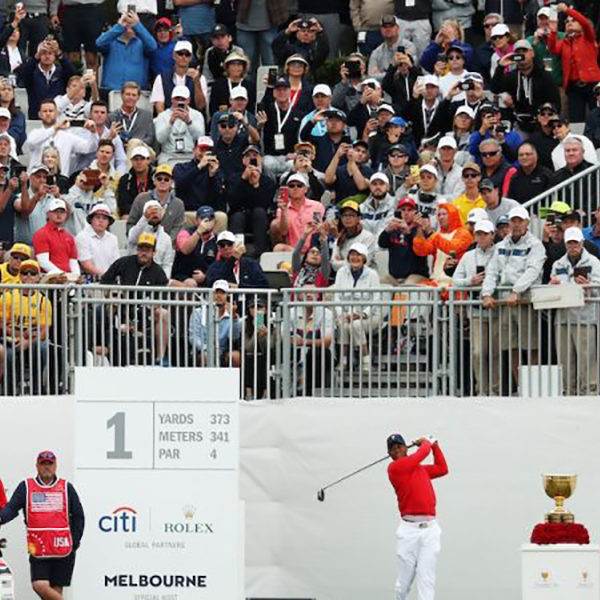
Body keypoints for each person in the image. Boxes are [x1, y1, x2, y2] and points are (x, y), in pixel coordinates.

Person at [0, 451, 84, 600]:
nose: (46, 467)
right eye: (43, 464)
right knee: (39, 585)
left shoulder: (66, 487)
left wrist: (74, 542)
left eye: (50, 464)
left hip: (62, 548)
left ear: (55, 466)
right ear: (37, 466)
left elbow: (78, 516)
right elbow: (12, 508)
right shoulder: (26, 486)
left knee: (55, 591)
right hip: (39, 547)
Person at [481, 206, 546, 384]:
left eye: (520, 221)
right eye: (513, 221)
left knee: (531, 345)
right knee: (511, 346)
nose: (516, 224)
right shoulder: (501, 246)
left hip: (526, 299)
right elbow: (492, 272)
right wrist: (487, 294)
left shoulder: (535, 245)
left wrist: (516, 291)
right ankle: (520, 385)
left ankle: (534, 385)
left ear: (527, 223)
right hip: (505, 300)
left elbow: (533, 271)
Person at [387, 434, 448, 600]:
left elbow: (442, 468)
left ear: (406, 448)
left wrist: (435, 446)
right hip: (408, 532)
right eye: (393, 448)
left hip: (430, 531)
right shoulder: (394, 469)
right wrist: (427, 443)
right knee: (403, 584)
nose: (397, 450)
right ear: (390, 454)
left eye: (399, 446)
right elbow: (422, 453)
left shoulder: (420, 469)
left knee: (426, 579)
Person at [550, 227, 600, 396]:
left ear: (582, 243)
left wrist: (588, 286)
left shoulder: (594, 262)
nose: (573, 246)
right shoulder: (558, 264)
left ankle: (590, 392)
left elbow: (598, 288)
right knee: (565, 361)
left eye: (575, 243)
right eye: (569, 243)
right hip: (563, 319)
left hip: (585, 318)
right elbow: (552, 289)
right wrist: (552, 287)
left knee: (587, 359)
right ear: (565, 244)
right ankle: (568, 393)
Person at [452, 219, 498, 395]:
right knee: (478, 352)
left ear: (492, 235)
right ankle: (482, 389)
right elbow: (455, 280)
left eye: (485, 234)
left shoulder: (500, 252)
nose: (482, 237)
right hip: (476, 310)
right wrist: (470, 281)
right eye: (478, 233)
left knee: (495, 353)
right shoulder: (468, 255)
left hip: (497, 309)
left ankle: (496, 389)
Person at [0, 260, 53, 389]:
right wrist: (19, 336)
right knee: (9, 354)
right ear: (19, 276)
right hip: (9, 338)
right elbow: (1, 324)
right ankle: (11, 389)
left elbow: (44, 330)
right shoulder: (7, 296)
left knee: (43, 348)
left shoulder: (43, 300)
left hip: (32, 340)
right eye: (24, 273)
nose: (28, 276)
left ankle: (36, 387)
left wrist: (27, 342)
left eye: (33, 273)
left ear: (38, 278)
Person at [490, 39, 561, 135]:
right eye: (518, 53)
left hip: (541, 125)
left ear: (532, 53)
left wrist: (546, 114)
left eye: (524, 51)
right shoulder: (512, 76)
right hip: (520, 124)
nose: (522, 55)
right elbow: (495, 88)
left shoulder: (545, 76)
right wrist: (501, 66)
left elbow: (556, 103)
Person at [548, 3, 600, 122]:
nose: (569, 22)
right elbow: (552, 49)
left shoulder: (588, 37)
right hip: (573, 86)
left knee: (597, 116)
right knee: (576, 120)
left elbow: (586, 23)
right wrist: (553, 32)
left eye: (573, 20)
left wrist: (568, 10)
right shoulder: (564, 42)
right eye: (567, 22)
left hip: (592, 84)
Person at [332, 241, 380, 371]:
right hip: (347, 313)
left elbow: (376, 299)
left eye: (359, 255)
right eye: (352, 255)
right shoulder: (342, 272)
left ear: (364, 258)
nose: (355, 258)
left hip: (369, 315)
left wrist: (362, 314)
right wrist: (342, 313)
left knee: (356, 324)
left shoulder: (372, 274)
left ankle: (366, 359)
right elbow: (337, 296)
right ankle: (344, 360)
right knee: (343, 324)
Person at [25, 99, 98, 177]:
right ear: (39, 114)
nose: (48, 114)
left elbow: (89, 148)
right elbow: (31, 142)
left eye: (51, 111)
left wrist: (93, 133)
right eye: (45, 111)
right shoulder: (35, 133)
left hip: (60, 183)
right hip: (37, 181)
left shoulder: (67, 136)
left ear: (56, 113)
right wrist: (56, 128)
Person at [228, 145, 275, 258]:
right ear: (243, 160)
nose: (251, 158)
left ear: (261, 159)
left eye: (255, 156)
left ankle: (260, 254)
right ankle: (236, 254)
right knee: (238, 216)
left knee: (259, 212)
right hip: (239, 215)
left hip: (259, 218)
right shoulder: (234, 178)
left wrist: (256, 185)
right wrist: (243, 180)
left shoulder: (267, 181)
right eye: (248, 156)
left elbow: (265, 204)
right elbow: (232, 203)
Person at [95, 10, 158, 92]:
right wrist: (120, 26)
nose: (128, 24)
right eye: (126, 21)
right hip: (111, 90)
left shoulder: (143, 43)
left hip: (136, 92)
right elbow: (99, 43)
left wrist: (137, 25)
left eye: (131, 22)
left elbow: (153, 47)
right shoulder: (111, 41)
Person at [413, 202, 473, 285]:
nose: (441, 217)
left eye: (444, 214)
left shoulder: (463, 233)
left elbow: (452, 248)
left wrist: (430, 232)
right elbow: (421, 251)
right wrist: (419, 229)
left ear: (452, 215)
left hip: (455, 283)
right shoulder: (438, 235)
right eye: (439, 215)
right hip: (436, 282)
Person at [173, 136, 227, 224]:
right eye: (201, 150)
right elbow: (180, 183)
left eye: (208, 151)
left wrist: (212, 176)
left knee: (222, 217)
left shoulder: (217, 171)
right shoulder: (181, 167)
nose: (204, 154)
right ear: (194, 150)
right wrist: (199, 167)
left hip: (209, 213)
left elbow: (220, 199)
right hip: (189, 212)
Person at [126, 163, 185, 245]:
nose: (162, 181)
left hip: (166, 247)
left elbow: (177, 229)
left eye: (166, 179)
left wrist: (163, 244)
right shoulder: (141, 198)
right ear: (154, 181)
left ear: (172, 182)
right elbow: (131, 224)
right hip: (140, 246)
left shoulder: (178, 204)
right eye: (159, 178)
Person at [18, 39, 76, 119]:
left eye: (50, 53)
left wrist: (59, 53)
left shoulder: (61, 72)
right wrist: (36, 56)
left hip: (58, 117)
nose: (47, 56)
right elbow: (25, 73)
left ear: (54, 56)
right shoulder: (32, 73)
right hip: (36, 117)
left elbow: (72, 73)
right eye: (43, 53)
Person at [378, 196, 429, 285]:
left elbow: (420, 250)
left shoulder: (420, 230)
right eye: (403, 210)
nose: (406, 213)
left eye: (410, 210)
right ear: (400, 213)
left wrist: (408, 233)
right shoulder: (395, 230)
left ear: (415, 212)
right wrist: (387, 230)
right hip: (395, 277)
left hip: (417, 275)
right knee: (381, 283)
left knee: (408, 285)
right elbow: (381, 244)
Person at [189, 279, 241, 366]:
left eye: (223, 293)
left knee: (235, 356)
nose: (219, 296)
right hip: (202, 351)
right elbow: (193, 337)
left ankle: (236, 380)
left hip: (223, 351)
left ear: (227, 296)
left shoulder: (232, 314)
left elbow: (235, 337)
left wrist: (234, 317)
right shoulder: (198, 312)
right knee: (206, 355)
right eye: (216, 292)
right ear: (211, 294)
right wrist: (207, 349)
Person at [270, 172, 325, 252]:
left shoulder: (316, 206)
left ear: (306, 189)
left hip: (313, 250)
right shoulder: (281, 209)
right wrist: (284, 211)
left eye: (299, 185)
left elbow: (316, 229)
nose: (295, 188)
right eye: (291, 186)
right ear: (287, 189)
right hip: (293, 250)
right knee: (278, 248)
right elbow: (283, 232)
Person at [150, 39, 206, 113]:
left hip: (192, 120)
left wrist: (196, 82)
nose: (183, 57)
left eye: (187, 54)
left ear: (191, 57)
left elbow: (201, 106)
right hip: (168, 119)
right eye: (180, 53)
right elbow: (159, 106)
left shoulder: (200, 78)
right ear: (173, 55)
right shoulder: (161, 78)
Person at [154, 85, 206, 165]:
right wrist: (170, 123)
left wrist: (189, 122)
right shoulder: (162, 116)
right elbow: (160, 139)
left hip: (190, 155)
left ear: (188, 100)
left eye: (183, 99)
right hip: (168, 155)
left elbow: (200, 137)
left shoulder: (197, 115)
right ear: (172, 100)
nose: (179, 102)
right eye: (177, 99)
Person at [171, 205, 218, 287]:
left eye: (210, 218)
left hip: (206, 278)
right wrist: (198, 232)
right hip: (183, 276)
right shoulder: (185, 233)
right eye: (203, 218)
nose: (207, 221)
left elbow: (219, 264)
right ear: (196, 221)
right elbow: (185, 250)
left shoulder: (218, 240)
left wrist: (205, 277)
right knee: (191, 284)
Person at [33, 198, 81, 276]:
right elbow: (43, 262)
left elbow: (73, 262)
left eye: (62, 212)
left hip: (67, 279)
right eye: (55, 211)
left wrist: (75, 277)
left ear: (66, 214)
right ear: (48, 214)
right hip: (50, 279)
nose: (59, 214)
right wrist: (63, 275)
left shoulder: (69, 237)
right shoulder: (41, 233)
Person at [204, 230, 268, 289]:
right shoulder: (214, 267)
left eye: (229, 244)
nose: (226, 247)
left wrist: (240, 287)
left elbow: (264, 285)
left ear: (235, 244)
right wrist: (232, 259)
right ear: (218, 248)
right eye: (222, 245)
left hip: (249, 300)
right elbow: (212, 283)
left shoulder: (250, 263)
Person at [127, 200, 175, 277]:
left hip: (156, 278)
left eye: (158, 210)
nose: (154, 213)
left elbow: (167, 264)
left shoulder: (166, 238)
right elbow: (132, 239)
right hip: (135, 274)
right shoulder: (136, 231)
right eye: (150, 210)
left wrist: (164, 281)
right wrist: (145, 218)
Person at [102, 232, 168, 286]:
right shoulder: (123, 263)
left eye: (147, 250)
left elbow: (162, 298)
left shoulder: (159, 272)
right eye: (141, 249)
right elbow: (105, 280)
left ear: (154, 252)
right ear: (137, 249)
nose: (144, 253)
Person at [75, 203, 120, 277]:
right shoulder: (82, 237)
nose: (101, 221)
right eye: (98, 217)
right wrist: (107, 276)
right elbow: (86, 266)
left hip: (109, 281)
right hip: (90, 281)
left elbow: (116, 263)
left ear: (108, 222)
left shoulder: (113, 238)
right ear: (91, 220)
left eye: (104, 218)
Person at [107, 81, 156, 148]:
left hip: (140, 151)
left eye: (134, 95)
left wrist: (135, 145)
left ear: (138, 97)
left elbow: (150, 138)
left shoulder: (147, 116)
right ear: (121, 95)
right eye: (128, 94)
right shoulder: (111, 117)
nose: (130, 97)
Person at [330, 199, 375, 271]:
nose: (347, 218)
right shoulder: (339, 239)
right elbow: (334, 265)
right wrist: (353, 261)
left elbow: (364, 263)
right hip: (344, 277)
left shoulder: (368, 237)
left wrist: (342, 262)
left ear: (359, 218)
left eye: (351, 215)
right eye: (344, 215)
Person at [368, 16, 417, 81]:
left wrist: (382, 73)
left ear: (397, 28)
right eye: (385, 27)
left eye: (391, 26)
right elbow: (371, 76)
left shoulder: (408, 46)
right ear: (381, 30)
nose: (388, 29)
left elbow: (408, 70)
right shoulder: (376, 52)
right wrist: (394, 72)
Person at [401, 75, 445, 147]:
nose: (429, 90)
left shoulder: (442, 107)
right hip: (416, 146)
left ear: (437, 89)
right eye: (426, 87)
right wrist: (414, 97)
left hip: (437, 146)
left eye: (432, 87)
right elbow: (404, 116)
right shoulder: (415, 105)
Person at [117, 144, 155, 218]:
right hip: (133, 214)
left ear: (148, 160)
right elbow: (123, 205)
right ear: (131, 161)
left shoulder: (157, 177)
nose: (139, 162)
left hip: (153, 212)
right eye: (136, 159)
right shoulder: (125, 180)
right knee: (125, 217)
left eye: (142, 159)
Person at [292, 223, 330, 287]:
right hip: (297, 297)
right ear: (306, 257)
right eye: (312, 252)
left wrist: (323, 238)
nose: (315, 254)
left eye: (318, 253)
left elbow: (325, 258)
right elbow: (296, 254)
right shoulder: (298, 270)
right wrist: (305, 235)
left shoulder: (322, 273)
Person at [359, 172, 396, 238]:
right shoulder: (362, 208)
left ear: (388, 187)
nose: (378, 187)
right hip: (366, 245)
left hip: (384, 246)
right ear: (370, 187)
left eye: (381, 184)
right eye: (374, 184)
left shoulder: (394, 204)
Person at [528, 103, 559, 170]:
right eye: (542, 114)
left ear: (555, 117)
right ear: (538, 117)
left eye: (550, 114)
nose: (546, 116)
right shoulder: (533, 139)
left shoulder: (560, 135)